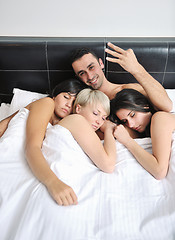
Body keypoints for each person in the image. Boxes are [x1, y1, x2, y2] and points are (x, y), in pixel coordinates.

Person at [26, 88, 116, 206]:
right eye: (95, 113)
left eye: (104, 118)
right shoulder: (77, 120)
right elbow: (108, 165)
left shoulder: (79, 129)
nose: (99, 121)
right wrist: (109, 129)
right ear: (78, 108)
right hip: (58, 183)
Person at [70, 42, 172, 112]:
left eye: (91, 67)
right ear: (77, 77)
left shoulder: (129, 89)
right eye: (82, 73)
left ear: (101, 63)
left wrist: (137, 69)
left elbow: (166, 106)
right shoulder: (80, 100)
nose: (90, 76)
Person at [110, 88, 175, 180]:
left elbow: (159, 171)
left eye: (132, 115)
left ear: (144, 105)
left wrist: (127, 141)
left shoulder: (160, 118)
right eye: (125, 121)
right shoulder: (149, 130)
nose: (131, 125)